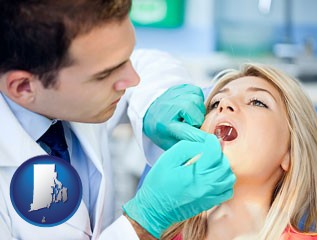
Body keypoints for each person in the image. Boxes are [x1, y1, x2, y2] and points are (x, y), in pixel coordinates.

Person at [0, 0, 235, 239]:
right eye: (105, 75)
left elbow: (146, 62)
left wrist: (156, 99)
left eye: (127, 58)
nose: (133, 78)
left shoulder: (72, 80)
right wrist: (143, 222)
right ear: (23, 87)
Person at [160, 63, 317, 240]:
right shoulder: (158, 233)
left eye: (257, 102)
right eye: (215, 103)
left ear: (290, 154)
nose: (224, 104)